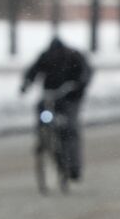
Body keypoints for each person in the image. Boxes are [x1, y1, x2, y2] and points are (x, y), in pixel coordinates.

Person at [20, 36, 92, 180]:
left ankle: (73, 167)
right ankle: (42, 136)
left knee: (70, 129)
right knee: (41, 111)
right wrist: (27, 83)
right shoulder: (46, 56)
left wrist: (78, 86)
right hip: (50, 96)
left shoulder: (74, 56)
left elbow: (85, 73)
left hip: (69, 98)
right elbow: (33, 70)